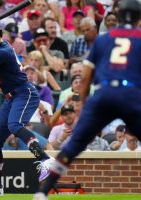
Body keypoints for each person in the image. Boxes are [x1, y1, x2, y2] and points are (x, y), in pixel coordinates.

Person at [33, 1, 141, 199]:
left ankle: (42, 192)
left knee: (74, 145)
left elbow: (84, 77)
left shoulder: (103, 39)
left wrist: (83, 105)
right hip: (131, 94)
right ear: (139, 18)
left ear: (117, 15)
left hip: (104, 93)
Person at [0, 18, 54, 196]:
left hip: (24, 92)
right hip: (10, 98)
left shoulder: (2, 50)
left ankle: (46, 160)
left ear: (1, 34)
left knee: (15, 125)